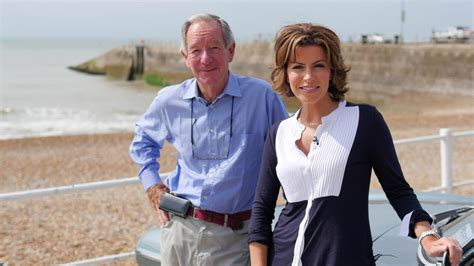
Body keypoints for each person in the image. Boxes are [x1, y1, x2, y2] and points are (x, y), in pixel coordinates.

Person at [248, 23, 463, 266]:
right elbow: (261, 213)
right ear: (286, 73)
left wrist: (428, 237)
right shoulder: (279, 133)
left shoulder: (365, 120)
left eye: (318, 65)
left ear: (332, 70)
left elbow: (398, 191)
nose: (308, 76)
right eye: (298, 67)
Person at [129, 13, 288, 265]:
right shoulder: (168, 100)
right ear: (185, 57)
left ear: (231, 51)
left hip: (238, 239)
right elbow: (142, 142)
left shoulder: (262, 98)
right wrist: (153, 187)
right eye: (196, 50)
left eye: (214, 47)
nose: (205, 58)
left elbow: (289, 151)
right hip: (180, 233)